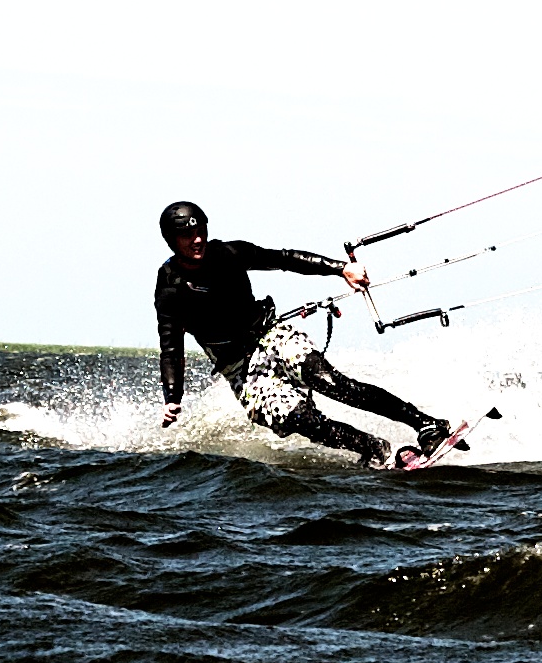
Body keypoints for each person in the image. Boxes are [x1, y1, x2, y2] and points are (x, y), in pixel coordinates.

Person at [153, 200, 456, 468]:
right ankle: (378, 452)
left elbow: (284, 259)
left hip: (270, 334)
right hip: (240, 368)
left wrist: (341, 269)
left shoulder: (227, 253)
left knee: (331, 382)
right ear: (171, 241)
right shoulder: (170, 289)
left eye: (200, 231)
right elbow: (171, 348)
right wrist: (172, 396)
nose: (197, 240)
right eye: (186, 235)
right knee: (301, 419)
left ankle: (427, 425)